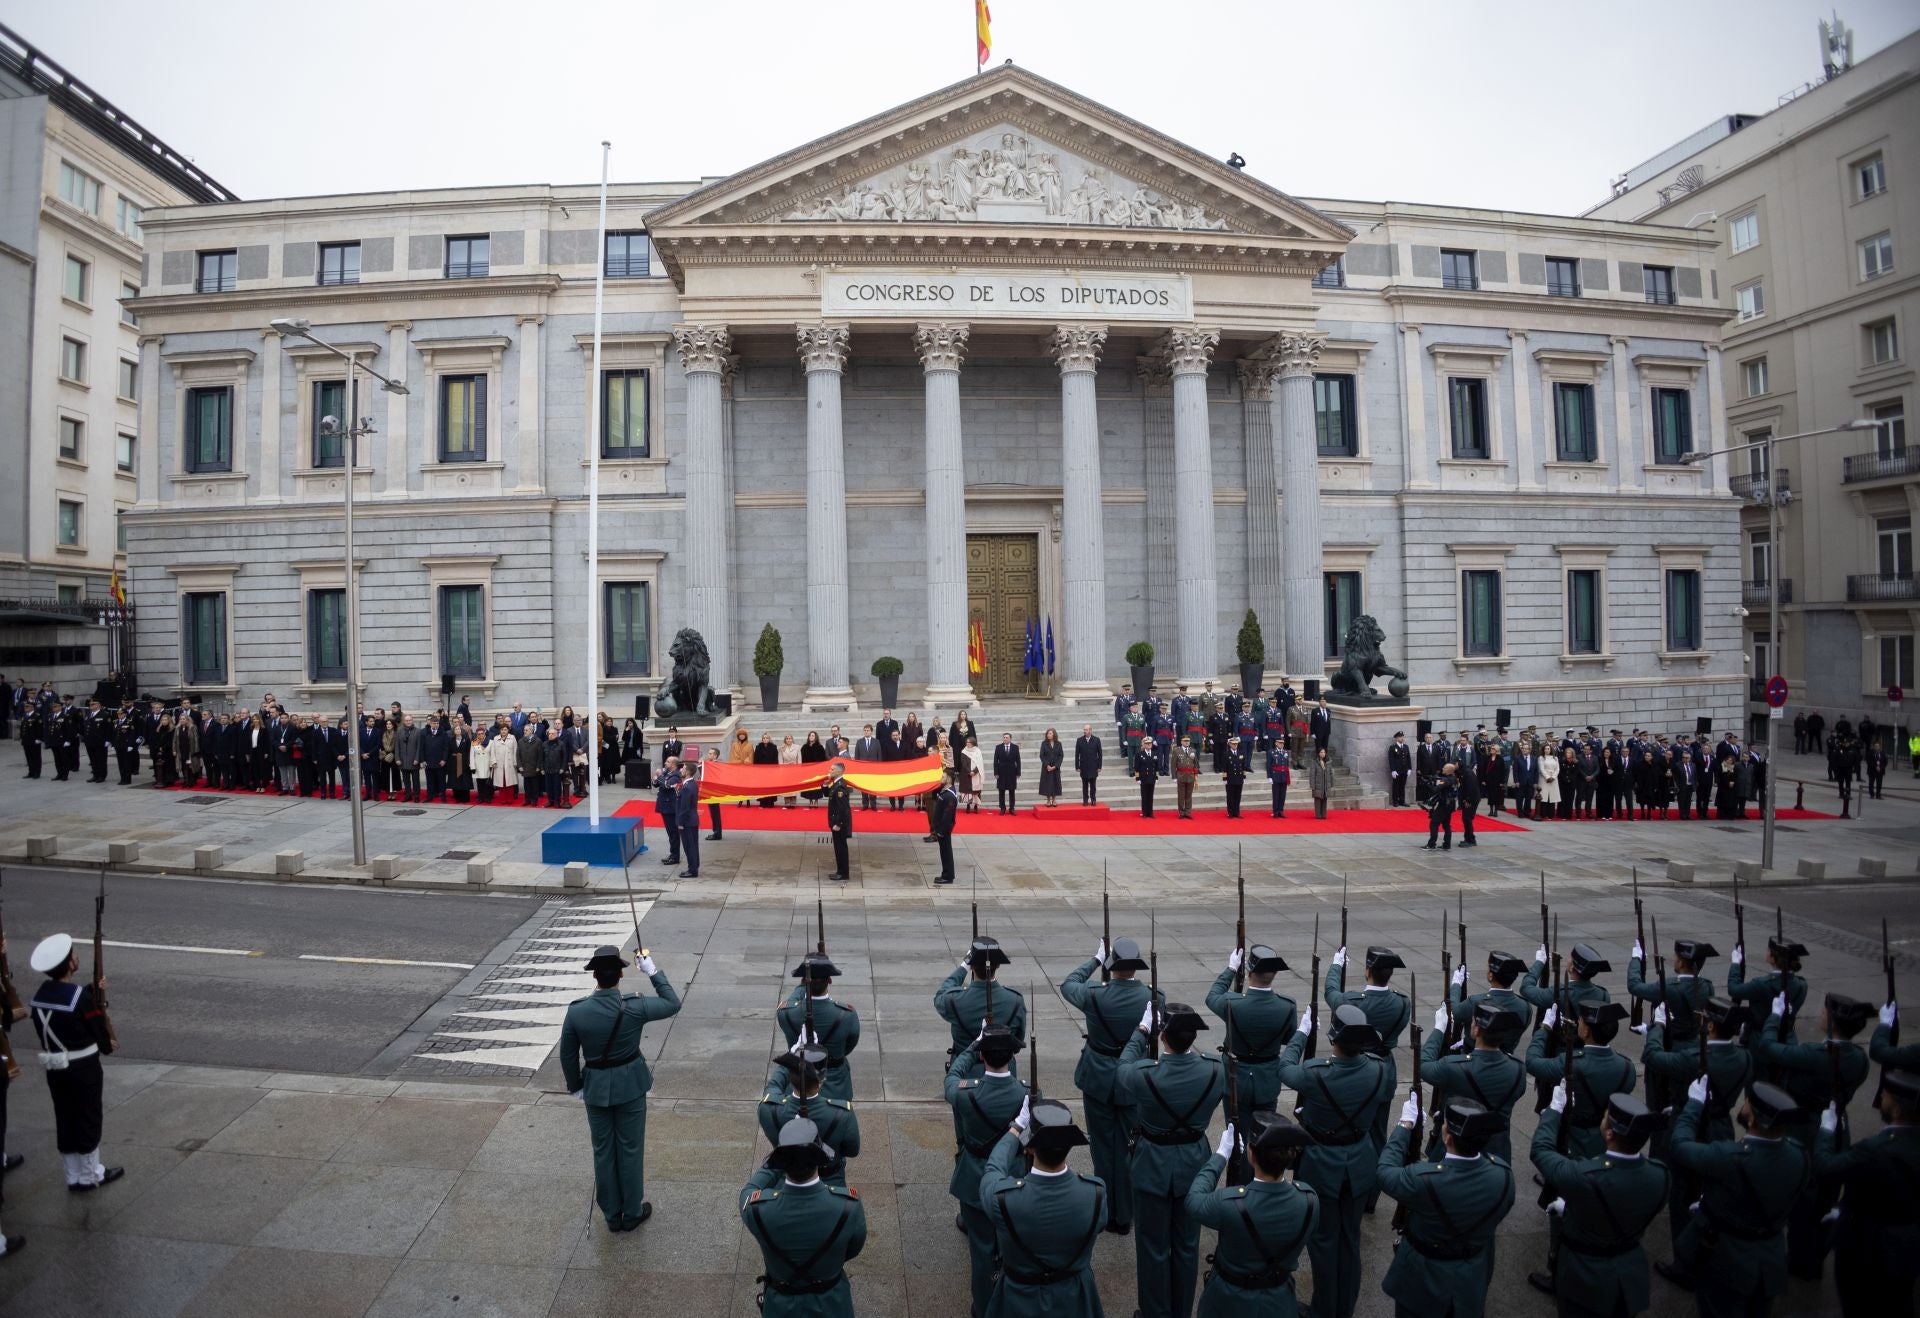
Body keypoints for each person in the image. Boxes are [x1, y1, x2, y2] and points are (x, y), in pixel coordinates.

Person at [1278, 1004, 1392, 1318]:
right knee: (1350, 1239)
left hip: (1322, 1163)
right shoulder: (1380, 1069)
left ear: (1334, 1037)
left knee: (1325, 1241)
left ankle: (1324, 1310)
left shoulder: (1316, 1073)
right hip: (1359, 1161)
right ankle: (1345, 1308)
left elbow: (1285, 1067)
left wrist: (1301, 1033)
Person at [560, 945, 680, 1232]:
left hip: (596, 1089)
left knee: (603, 1150)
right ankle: (632, 1210)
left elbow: (567, 1055)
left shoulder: (578, 1011)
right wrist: (651, 971)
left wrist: (576, 1086)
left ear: (595, 977)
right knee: (630, 1148)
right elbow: (672, 1003)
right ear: (621, 975)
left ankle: (612, 1215)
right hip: (630, 1085)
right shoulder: (635, 1006)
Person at [1118, 1001, 1225, 1318]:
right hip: (1194, 1164)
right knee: (1187, 1246)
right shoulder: (1216, 1070)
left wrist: (1141, 1030)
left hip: (1152, 1165)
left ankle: (1155, 1312)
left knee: (1153, 1248)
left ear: (1162, 1035)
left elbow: (1122, 1066)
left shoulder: (1144, 1074)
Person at [1755, 990, 1871, 1281]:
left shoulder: (1817, 1055)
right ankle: (1815, 1252)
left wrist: (1775, 1017)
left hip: (1807, 1127)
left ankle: (1800, 1260)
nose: (1820, 1015)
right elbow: (1801, 1058)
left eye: (1824, 1013)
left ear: (1832, 1022)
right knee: (1826, 1195)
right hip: (1836, 1125)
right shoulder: (1859, 1058)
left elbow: (1770, 1047)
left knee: (1804, 1197)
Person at [1667, 1079, 1809, 1316]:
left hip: (1728, 1260)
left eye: (1748, 1104)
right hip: (1770, 1259)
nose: (1743, 1105)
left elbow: (1680, 1145)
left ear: (1752, 1119)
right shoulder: (1800, 1155)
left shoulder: (1729, 1157)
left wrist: (1694, 1104)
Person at [1527, 1089, 1669, 1314]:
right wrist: (1575, 1208)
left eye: (1605, 1118)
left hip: (1586, 1276)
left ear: (1610, 1134)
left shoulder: (1585, 1176)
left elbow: (1541, 1151)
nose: (1602, 1119)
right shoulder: (1661, 1174)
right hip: (1630, 1273)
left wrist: (1553, 1110)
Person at [1376, 1097, 1515, 1318]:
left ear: (1447, 1137)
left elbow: (1385, 1172)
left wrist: (1404, 1125)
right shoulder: (1503, 1175)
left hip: (1423, 1277)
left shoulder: (1423, 1179)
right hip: (1471, 1275)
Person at [1061, 936, 1159, 1237]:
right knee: (1130, 1148)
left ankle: (1106, 1211)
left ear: (1111, 963)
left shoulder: (1094, 995)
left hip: (1099, 1079)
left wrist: (1094, 959)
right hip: (1132, 1081)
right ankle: (1125, 1214)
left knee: (1103, 1149)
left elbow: (1068, 984)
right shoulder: (1153, 998)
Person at [979, 1098, 1106, 1313]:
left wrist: (1017, 1127)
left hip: (1019, 1301)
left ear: (1030, 1149)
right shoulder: (1095, 1193)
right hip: (1074, 1300)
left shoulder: (1003, 1199)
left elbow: (993, 1169)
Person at [1185, 1113, 1318, 1316]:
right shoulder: (1309, 1200)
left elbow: (1193, 1200)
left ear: (1251, 1154)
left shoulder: (1229, 1204)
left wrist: (1220, 1155)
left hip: (1228, 1302)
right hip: (1279, 1302)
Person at [1815, 1066, 1920, 1315]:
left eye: (1885, 1095)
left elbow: (1827, 1168)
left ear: (1897, 1109)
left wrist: (1826, 1133)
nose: (1880, 1098)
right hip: (1909, 1241)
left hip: (1868, 1244)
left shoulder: (1875, 1150)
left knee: (1861, 1304)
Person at [741, 1115, 867, 1316]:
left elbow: (750, 1188)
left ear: (781, 1162)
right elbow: (852, 1249)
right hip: (832, 1303)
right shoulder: (848, 1206)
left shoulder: (757, 1210)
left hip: (780, 1307)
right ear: (819, 1160)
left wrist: (780, 1157)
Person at [27, 933, 122, 1192]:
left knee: (65, 1118)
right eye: (74, 957)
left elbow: (65, 1011)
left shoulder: (40, 996)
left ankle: (72, 1175)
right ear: (69, 965)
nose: (76, 959)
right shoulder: (78, 997)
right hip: (83, 1068)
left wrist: (91, 991)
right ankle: (92, 1174)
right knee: (88, 1117)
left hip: (55, 1068)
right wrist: (107, 1043)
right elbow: (93, 1024)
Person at [945, 1025, 1029, 1316]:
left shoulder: (967, 1095)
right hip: (1012, 1176)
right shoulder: (1028, 1095)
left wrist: (971, 1047)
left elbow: (951, 1078)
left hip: (974, 1177)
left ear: (983, 1057)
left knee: (981, 1250)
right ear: (1012, 1056)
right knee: (1012, 1247)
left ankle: (983, 1307)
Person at [1325, 944, 1411, 1214]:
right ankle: (1371, 1195)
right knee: (1377, 1134)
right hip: (1384, 1071)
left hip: (1356, 1069)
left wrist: (1336, 965)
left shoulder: (1353, 1002)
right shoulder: (1402, 1003)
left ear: (1367, 971)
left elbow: (1331, 994)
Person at [1420, 1003, 1527, 1163]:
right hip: (1496, 1150)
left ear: (1476, 1030)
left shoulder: (1454, 1067)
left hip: (1457, 1147)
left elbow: (1424, 1065)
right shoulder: (1518, 1069)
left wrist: (1439, 1029)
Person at [757, 1045, 859, 1187]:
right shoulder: (842, 1113)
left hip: (786, 1179)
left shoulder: (768, 1109)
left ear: (790, 1076)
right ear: (821, 1080)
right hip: (831, 1179)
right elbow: (852, 1150)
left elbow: (773, 1086)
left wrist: (791, 1061)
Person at [935, 939, 1027, 1076]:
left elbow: (940, 996)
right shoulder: (1015, 1000)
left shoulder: (954, 1000)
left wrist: (964, 966)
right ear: (998, 966)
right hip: (1003, 1070)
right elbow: (1017, 1042)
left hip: (964, 1070)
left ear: (972, 967)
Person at [778, 953, 860, 1102]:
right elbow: (849, 1045)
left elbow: (791, 1002)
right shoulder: (848, 1015)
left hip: (798, 1084)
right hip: (836, 1085)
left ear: (803, 980)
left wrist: (803, 985)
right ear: (829, 979)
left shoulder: (785, 1013)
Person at [825, 762, 852, 881]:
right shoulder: (836, 784)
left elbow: (843, 808)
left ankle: (843, 873)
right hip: (836, 821)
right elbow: (828, 794)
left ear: (839, 771)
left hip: (839, 823)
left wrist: (838, 824)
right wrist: (825, 784)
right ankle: (840, 871)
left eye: (832, 769)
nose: (830, 771)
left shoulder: (840, 786)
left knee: (841, 848)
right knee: (838, 847)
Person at [929, 778, 959, 885]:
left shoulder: (950, 795)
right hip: (941, 828)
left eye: (944, 776)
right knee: (944, 852)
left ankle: (948, 876)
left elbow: (947, 816)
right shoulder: (945, 791)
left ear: (949, 779)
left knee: (946, 852)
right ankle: (945, 874)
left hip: (944, 829)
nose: (941, 778)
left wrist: (941, 831)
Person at [673, 766, 701, 878]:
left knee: (689, 846)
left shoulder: (687, 787)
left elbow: (684, 807)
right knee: (693, 845)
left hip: (687, 822)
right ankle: (694, 866)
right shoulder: (691, 784)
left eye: (683, 768)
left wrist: (680, 823)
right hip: (692, 820)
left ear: (688, 772)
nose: (681, 770)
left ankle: (692, 870)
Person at [1425, 761, 1457, 850]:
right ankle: (1447, 844)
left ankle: (1431, 844)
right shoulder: (1454, 778)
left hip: (1444, 804)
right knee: (1446, 824)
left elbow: (1435, 790)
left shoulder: (1445, 780)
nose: (1442, 769)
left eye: (1444, 768)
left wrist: (1428, 784)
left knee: (1434, 823)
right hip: (1451, 804)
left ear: (1448, 770)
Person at [851, 723, 882, 810]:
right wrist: (857, 767)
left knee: (873, 787)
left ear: (871, 732)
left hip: (873, 769)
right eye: (865, 730)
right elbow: (857, 756)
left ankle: (873, 804)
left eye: (868, 730)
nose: (866, 732)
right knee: (863, 787)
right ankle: (865, 804)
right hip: (862, 769)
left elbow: (879, 755)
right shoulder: (859, 742)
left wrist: (879, 768)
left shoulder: (876, 742)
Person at [991, 733, 1021, 815]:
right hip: (1001, 772)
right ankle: (1002, 808)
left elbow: (1018, 761)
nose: (1005, 739)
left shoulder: (1015, 747)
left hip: (1012, 772)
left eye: (1007, 737)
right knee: (1001, 791)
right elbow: (995, 761)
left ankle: (1012, 808)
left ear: (1010, 738)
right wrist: (996, 773)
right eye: (1004, 737)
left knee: (1012, 791)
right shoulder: (998, 747)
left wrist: (1018, 772)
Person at [1073, 723, 1102, 805]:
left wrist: (1099, 766)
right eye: (1084, 729)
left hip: (1093, 766)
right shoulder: (1079, 740)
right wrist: (1077, 766)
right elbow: (1076, 754)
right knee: (1084, 785)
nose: (1085, 731)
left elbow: (1100, 754)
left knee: (1093, 785)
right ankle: (1085, 799)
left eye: (1086, 729)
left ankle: (1093, 799)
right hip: (1084, 766)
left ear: (1090, 730)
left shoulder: (1096, 740)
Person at [1222, 736, 1250, 819]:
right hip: (1230, 778)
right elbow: (1224, 767)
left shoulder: (1241, 753)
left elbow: (1243, 766)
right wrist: (1224, 779)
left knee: (1238, 796)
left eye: (1236, 744)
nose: (1235, 745)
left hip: (1239, 778)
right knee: (1230, 796)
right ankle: (1230, 812)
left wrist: (1244, 776)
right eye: (1233, 744)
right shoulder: (1226, 754)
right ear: (1230, 744)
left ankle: (1236, 812)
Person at [799, 730, 829, 805]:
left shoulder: (820, 747)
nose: (811, 737)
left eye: (813, 736)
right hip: (807, 770)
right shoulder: (804, 747)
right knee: (809, 786)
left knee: (816, 786)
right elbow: (801, 758)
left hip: (816, 769)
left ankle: (816, 801)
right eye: (810, 735)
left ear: (816, 737)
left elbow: (823, 758)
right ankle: (810, 801)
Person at [702, 748, 724, 840]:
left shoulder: (717, 765)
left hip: (714, 791)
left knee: (715, 812)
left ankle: (717, 833)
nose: (709, 755)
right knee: (713, 812)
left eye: (711, 753)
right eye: (709, 753)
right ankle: (715, 831)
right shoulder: (708, 764)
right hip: (709, 791)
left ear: (715, 756)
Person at [1134, 739, 1160, 817]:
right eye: (1147, 743)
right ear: (1144, 745)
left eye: (1150, 743)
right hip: (1144, 777)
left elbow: (1156, 767)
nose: (1149, 745)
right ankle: (1145, 812)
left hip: (1152, 777)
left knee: (1150, 796)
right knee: (1144, 796)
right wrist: (1137, 778)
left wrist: (1156, 777)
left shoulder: (1155, 754)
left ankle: (1150, 812)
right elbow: (1137, 767)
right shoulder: (1139, 754)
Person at [1386, 731, 1412, 807]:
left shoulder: (1406, 747)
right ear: (1396, 738)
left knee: (1402, 786)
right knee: (1396, 786)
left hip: (1404, 770)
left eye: (1402, 737)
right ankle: (1395, 801)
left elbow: (1408, 758)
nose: (1402, 738)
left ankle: (1402, 801)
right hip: (1397, 771)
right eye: (1400, 737)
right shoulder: (1393, 747)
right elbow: (1391, 759)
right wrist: (1393, 770)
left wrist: (1409, 768)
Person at [961, 735, 984, 815]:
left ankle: (976, 806)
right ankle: (968, 805)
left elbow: (980, 763)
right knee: (968, 791)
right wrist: (969, 771)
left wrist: (974, 771)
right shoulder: (964, 751)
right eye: (967, 742)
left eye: (969, 742)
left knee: (976, 791)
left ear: (973, 743)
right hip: (967, 774)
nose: (968, 744)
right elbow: (963, 763)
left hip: (976, 774)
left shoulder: (978, 751)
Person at [778, 734, 802, 808]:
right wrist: (781, 769)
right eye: (787, 738)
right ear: (785, 740)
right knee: (786, 786)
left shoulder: (797, 747)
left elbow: (799, 759)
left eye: (790, 738)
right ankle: (787, 802)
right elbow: (780, 759)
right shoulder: (782, 748)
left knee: (794, 786)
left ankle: (793, 802)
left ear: (792, 739)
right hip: (785, 769)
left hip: (794, 768)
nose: (788, 740)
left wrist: (799, 768)